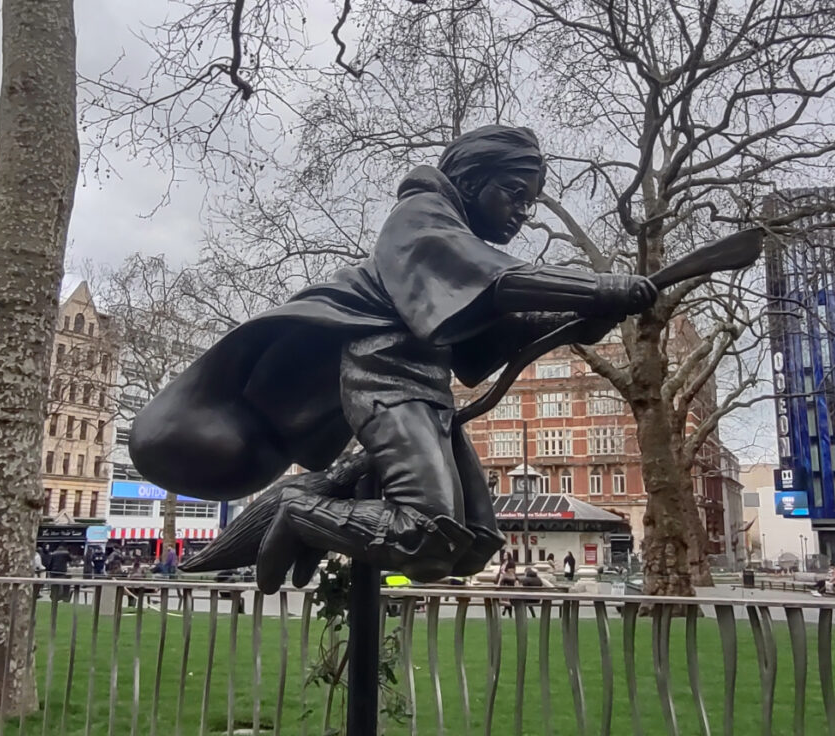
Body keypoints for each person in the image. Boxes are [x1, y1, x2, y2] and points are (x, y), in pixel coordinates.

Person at [131, 125, 662, 594]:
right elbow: (500, 281)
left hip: (429, 393)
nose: (523, 212)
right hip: (385, 378)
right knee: (426, 534)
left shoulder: (452, 249)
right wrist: (598, 288)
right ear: (471, 181)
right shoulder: (422, 216)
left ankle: (314, 514)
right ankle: (298, 511)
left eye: (531, 202)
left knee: (474, 540)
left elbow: (482, 344)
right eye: (514, 193)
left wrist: (583, 319)